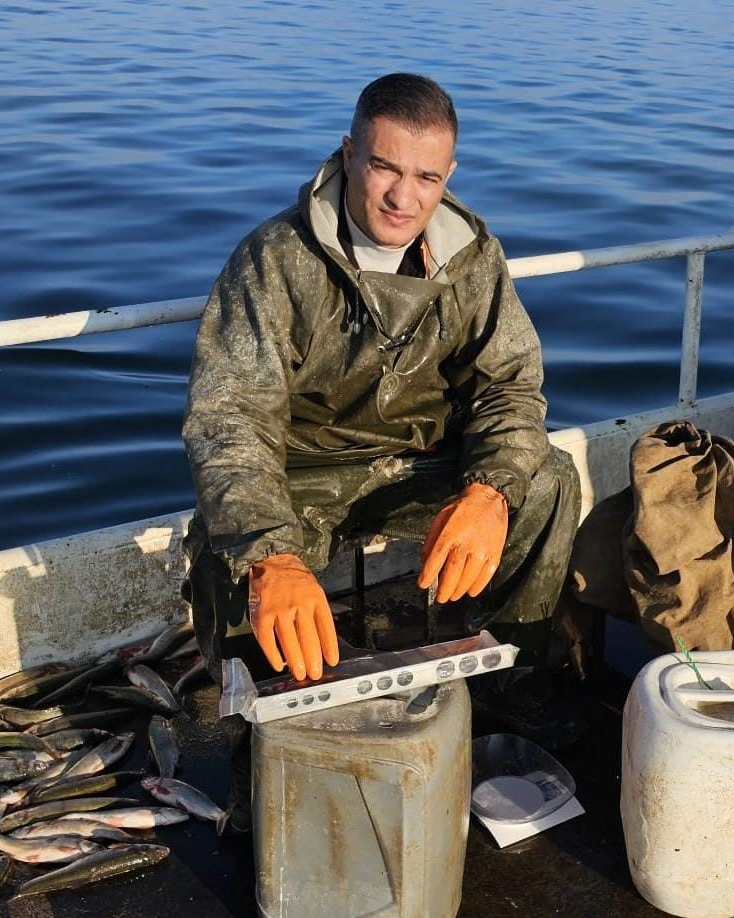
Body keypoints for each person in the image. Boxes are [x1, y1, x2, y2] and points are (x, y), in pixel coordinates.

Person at [181, 73, 582, 824]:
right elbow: (228, 420)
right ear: (348, 153)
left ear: (449, 176)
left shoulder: (471, 257)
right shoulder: (273, 261)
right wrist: (272, 552)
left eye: (426, 176)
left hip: (420, 459)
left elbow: (512, 388)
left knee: (550, 479)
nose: (404, 197)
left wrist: (489, 492)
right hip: (304, 471)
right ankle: (263, 724)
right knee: (222, 545)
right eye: (385, 167)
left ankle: (511, 687)